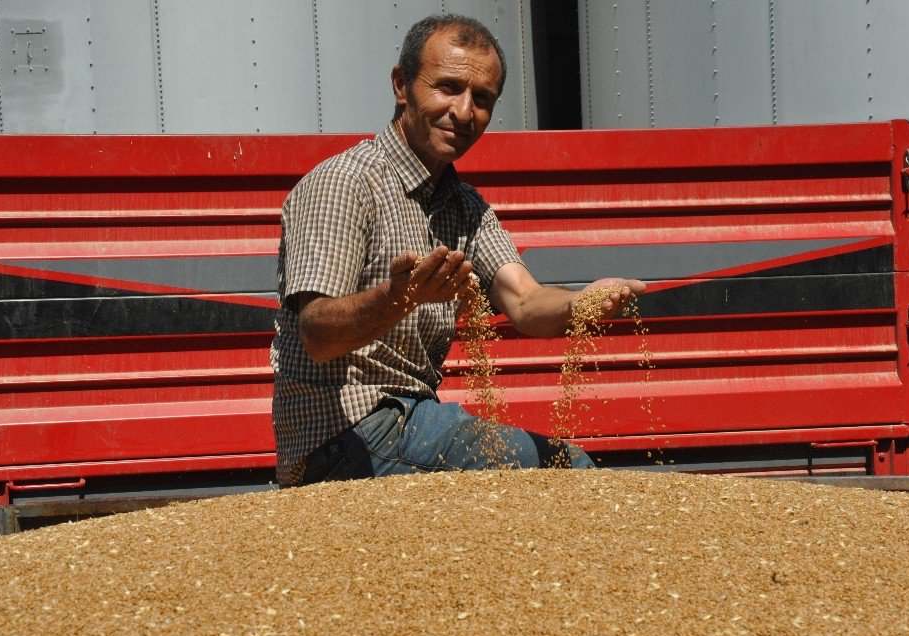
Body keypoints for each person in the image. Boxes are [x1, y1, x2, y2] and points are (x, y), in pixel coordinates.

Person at [271, 14, 646, 487]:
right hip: (342, 438)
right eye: (448, 88)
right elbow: (317, 335)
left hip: (410, 422)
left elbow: (526, 303)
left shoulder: (464, 206)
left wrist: (582, 300)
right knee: (566, 471)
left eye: (483, 98)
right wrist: (398, 297)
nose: (464, 112)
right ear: (401, 85)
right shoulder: (345, 183)